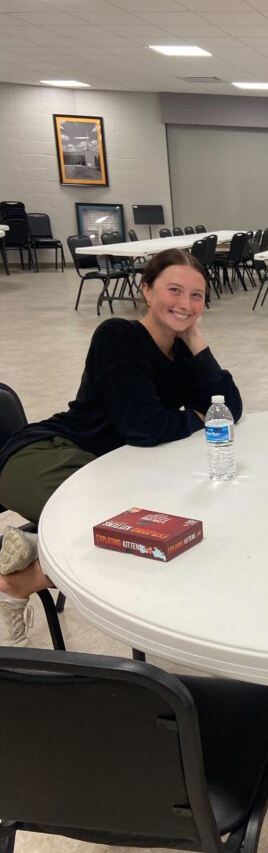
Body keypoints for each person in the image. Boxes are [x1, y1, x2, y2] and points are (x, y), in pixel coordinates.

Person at [0, 247, 243, 646]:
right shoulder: (117, 336)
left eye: (196, 296)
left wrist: (197, 341)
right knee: (132, 533)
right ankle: (22, 574)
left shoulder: (184, 354)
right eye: (174, 290)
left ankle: (34, 547)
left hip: (106, 472)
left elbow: (228, 409)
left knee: (171, 523)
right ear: (147, 290)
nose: (185, 304)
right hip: (47, 455)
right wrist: (193, 420)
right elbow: (142, 426)